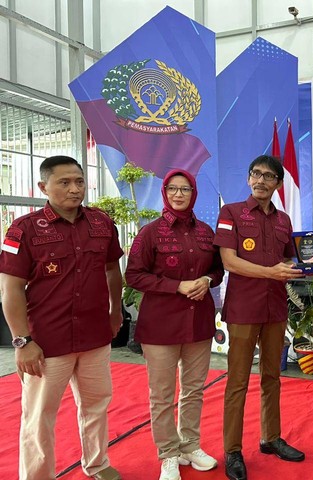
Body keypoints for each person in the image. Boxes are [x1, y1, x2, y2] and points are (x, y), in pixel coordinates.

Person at [0, 155, 124, 480]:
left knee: (96, 405)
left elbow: (113, 271)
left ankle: (97, 464)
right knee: (39, 415)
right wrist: (22, 341)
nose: (74, 189)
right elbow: (10, 290)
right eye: (64, 182)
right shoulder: (23, 229)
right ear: (44, 186)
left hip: (95, 336)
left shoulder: (101, 223)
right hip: (46, 342)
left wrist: (115, 312)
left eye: (79, 181)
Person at [125, 169, 224, 480]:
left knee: (194, 389)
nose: (179, 194)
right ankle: (168, 453)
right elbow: (134, 276)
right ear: (165, 192)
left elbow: (219, 269)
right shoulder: (149, 233)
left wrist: (207, 279)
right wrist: (176, 286)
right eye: (173, 189)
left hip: (198, 322)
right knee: (162, 394)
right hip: (161, 326)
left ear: (193, 193)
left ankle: (190, 445)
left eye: (185, 189)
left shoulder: (207, 232)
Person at [213, 155, 305, 480]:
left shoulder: (284, 221)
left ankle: (271, 438)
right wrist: (270, 272)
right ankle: (233, 450)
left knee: (272, 378)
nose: (261, 181)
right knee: (237, 382)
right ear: (249, 178)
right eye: (256, 174)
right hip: (243, 310)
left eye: (268, 176)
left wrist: (303, 268)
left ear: (278, 183)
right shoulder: (232, 213)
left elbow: (289, 262)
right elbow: (229, 261)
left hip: (275, 309)